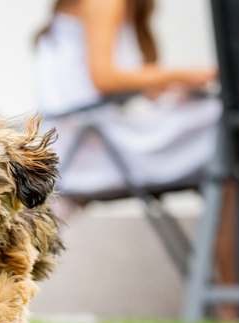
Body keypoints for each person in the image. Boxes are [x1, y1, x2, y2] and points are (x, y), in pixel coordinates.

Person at [34, 0, 222, 202]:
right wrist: (182, 75)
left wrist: (167, 85)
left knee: (216, 122)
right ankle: (231, 226)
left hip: (81, 142)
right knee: (222, 119)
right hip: (94, 147)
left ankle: (227, 223)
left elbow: (88, 85)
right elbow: (103, 79)